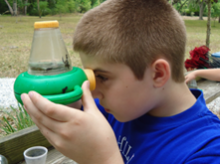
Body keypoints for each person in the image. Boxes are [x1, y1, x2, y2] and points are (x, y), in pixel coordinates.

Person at [21, 0, 220, 163]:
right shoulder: (121, 108)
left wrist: (104, 159)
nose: (93, 91)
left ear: (158, 74)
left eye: (102, 77)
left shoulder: (208, 150)